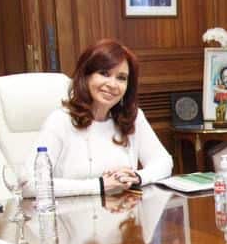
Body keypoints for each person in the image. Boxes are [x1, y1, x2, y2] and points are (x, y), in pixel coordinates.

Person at [30, 38, 173, 196]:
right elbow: (30, 183)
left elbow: (164, 162)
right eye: (104, 74)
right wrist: (99, 185)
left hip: (123, 214)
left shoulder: (132, 116)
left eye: (121, 78)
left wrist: (137, 177)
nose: (112, 84)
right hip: (72, 216)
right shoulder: (60, 120)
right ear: (86, 76)